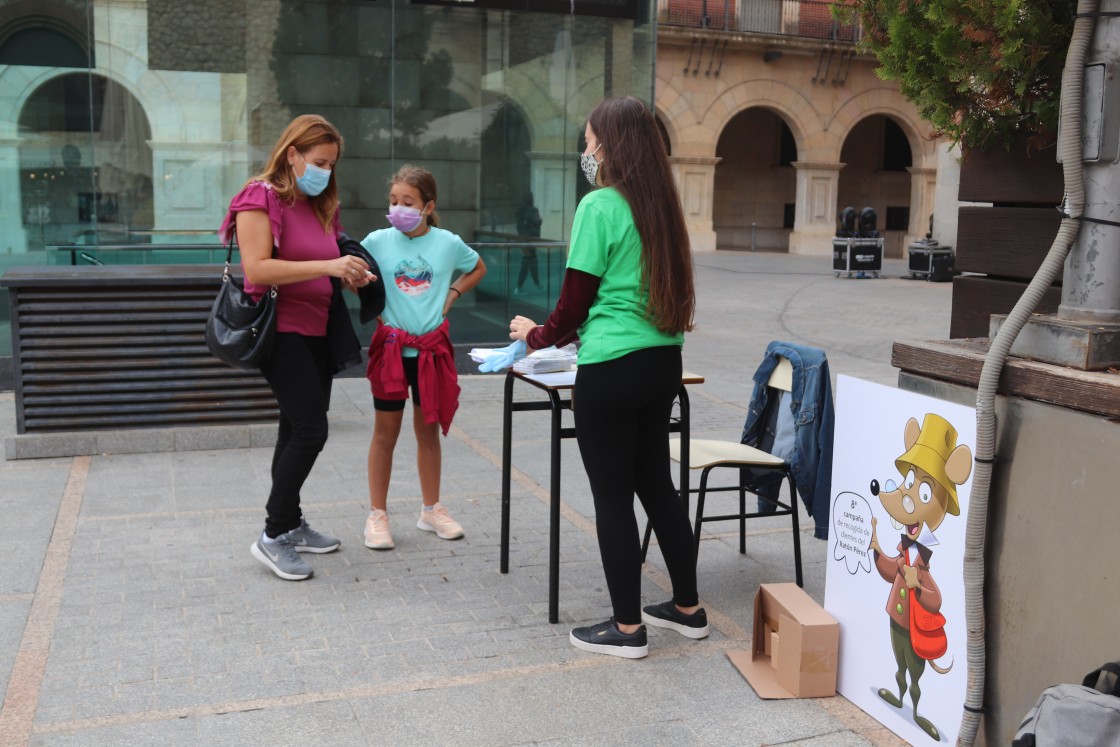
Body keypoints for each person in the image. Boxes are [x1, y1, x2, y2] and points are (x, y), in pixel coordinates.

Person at [508, 97, 704, 659]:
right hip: (662, 361)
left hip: (611, 367)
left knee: (613, 497)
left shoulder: (600, 206)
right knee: (657, 486)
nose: (586, 152)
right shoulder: (662, 210)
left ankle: (626, 629)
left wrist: (533, 336)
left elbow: (573, 305)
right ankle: (687, 609)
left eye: (590, 141)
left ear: (610, 146)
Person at [219, 114, 375, 582]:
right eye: (319, 161)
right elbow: (258, 270)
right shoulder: (259, 197)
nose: (326, 170)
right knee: (311, 430)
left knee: (294, 427)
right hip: (279, 330)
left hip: (317, 330)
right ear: (293, 155)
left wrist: (351, 274)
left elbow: (325, 263)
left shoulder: (321, 203)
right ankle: (272, 534)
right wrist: (329, 265)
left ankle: (290, 521)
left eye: (332, 163)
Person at [361, 165, 487, 550]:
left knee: (427, 431)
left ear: (428, 206)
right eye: (394, 201)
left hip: (430, 353)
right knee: (386, 432)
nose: (398, 209)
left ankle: (431, 509)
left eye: (408, 202)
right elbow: (353, 274)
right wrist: (373, 304)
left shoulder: (447, 244)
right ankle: (377, 515)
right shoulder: (377, 241)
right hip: (393, 352)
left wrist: (452, 295)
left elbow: (478, 267)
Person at [514, 192, 542, 294]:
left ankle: (536, 283)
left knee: (530, 261)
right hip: (531, 239)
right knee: (528, 262)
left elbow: (518, 226)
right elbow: (536, 222)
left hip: (523, 239)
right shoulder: (533, 210)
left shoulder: (521, 211)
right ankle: (520, 286)